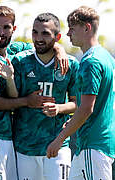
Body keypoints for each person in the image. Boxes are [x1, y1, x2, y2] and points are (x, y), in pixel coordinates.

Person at [0, 6, 70, 180]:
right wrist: (27, 101)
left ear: (14, 29)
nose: (1, 32)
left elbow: (44, 43)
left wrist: (60, 49)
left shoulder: (15, 50)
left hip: (7, 136)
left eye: (6, 27)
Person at [46, 6, 115, 180]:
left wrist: (60, 139)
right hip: (95, 146)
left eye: (72, 28)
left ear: (87, 28)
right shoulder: (108, 58)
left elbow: (86, 108)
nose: (68, 34)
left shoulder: (91, 61)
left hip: (93, 145)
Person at [5, 13, 79, 180]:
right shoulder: (20, 61)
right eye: (35, 32)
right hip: (25, 147)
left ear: (57, 37)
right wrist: (9, 79)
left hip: (57, 146)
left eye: (45, 33)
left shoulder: (71, 64)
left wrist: (59, 108)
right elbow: (13, 98)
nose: (38, 38)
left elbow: (77, 104)